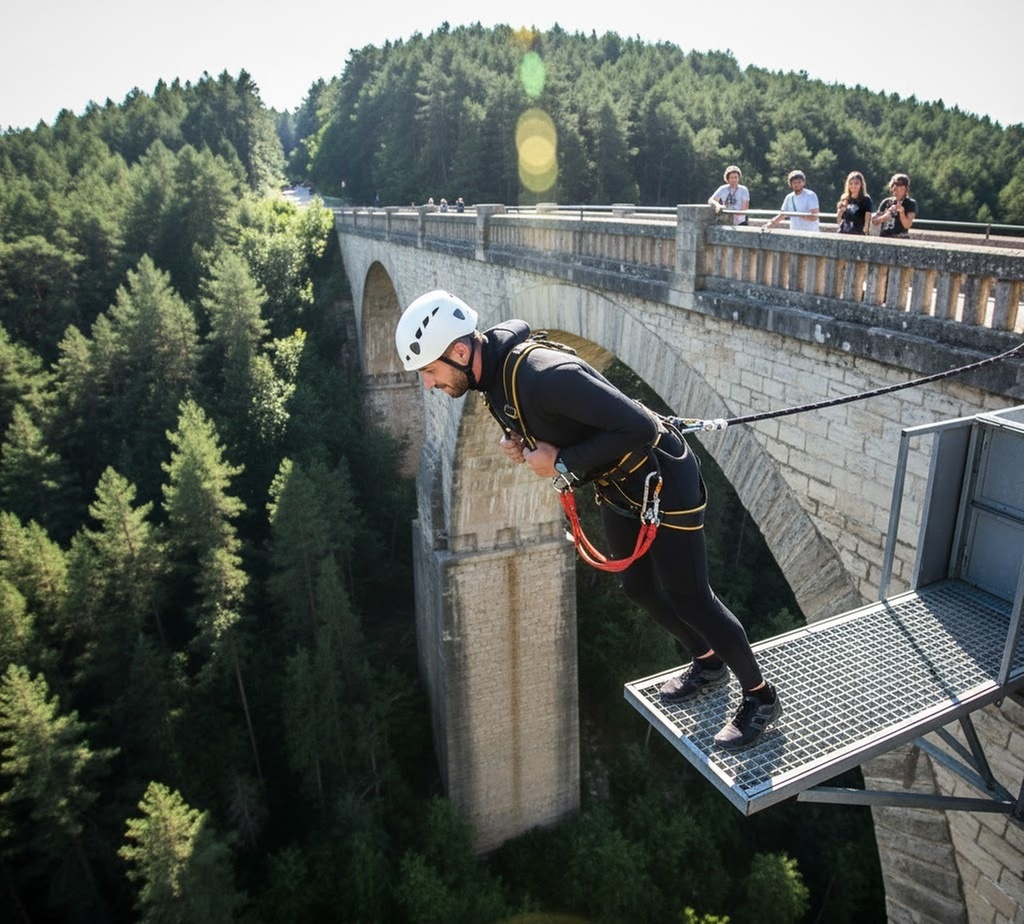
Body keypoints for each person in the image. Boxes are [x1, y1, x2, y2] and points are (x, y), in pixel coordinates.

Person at [394, 290, 782, 750]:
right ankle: (708, 662)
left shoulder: (544, 376)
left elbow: (641, 426)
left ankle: (761, 697)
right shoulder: (490, 379)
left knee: (691, 598)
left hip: (662, 480)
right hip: (616, 484)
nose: (428, 384)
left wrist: (560, 462)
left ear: (460, 351)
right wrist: (522, 445)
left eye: (430, 372)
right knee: (637, 587)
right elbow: (549, 427)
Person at [871, 173, 917, 238]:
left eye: (900, 188)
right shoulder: (886, 202)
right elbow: (874, 221)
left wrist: (902, 213)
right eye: (895, 189)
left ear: (906, 189)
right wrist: (885, 216)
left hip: (900, 237)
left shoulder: (910, 203)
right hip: (884, 236)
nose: (896, 192)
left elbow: (907, 225)